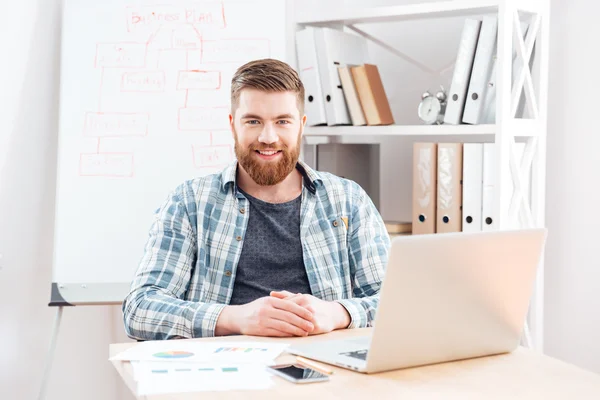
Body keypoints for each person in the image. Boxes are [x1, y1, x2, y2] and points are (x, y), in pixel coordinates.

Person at [122, 58, 390, 340]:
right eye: (253, 121)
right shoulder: (189, 203)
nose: (268, 137)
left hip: (324, 374)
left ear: (301, 125)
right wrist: (235, 318)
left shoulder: (348, 200)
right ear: (232, 124)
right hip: (221, 375)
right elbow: (140, 310)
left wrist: (336, 313)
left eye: (282, 121)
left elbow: (393, 301)